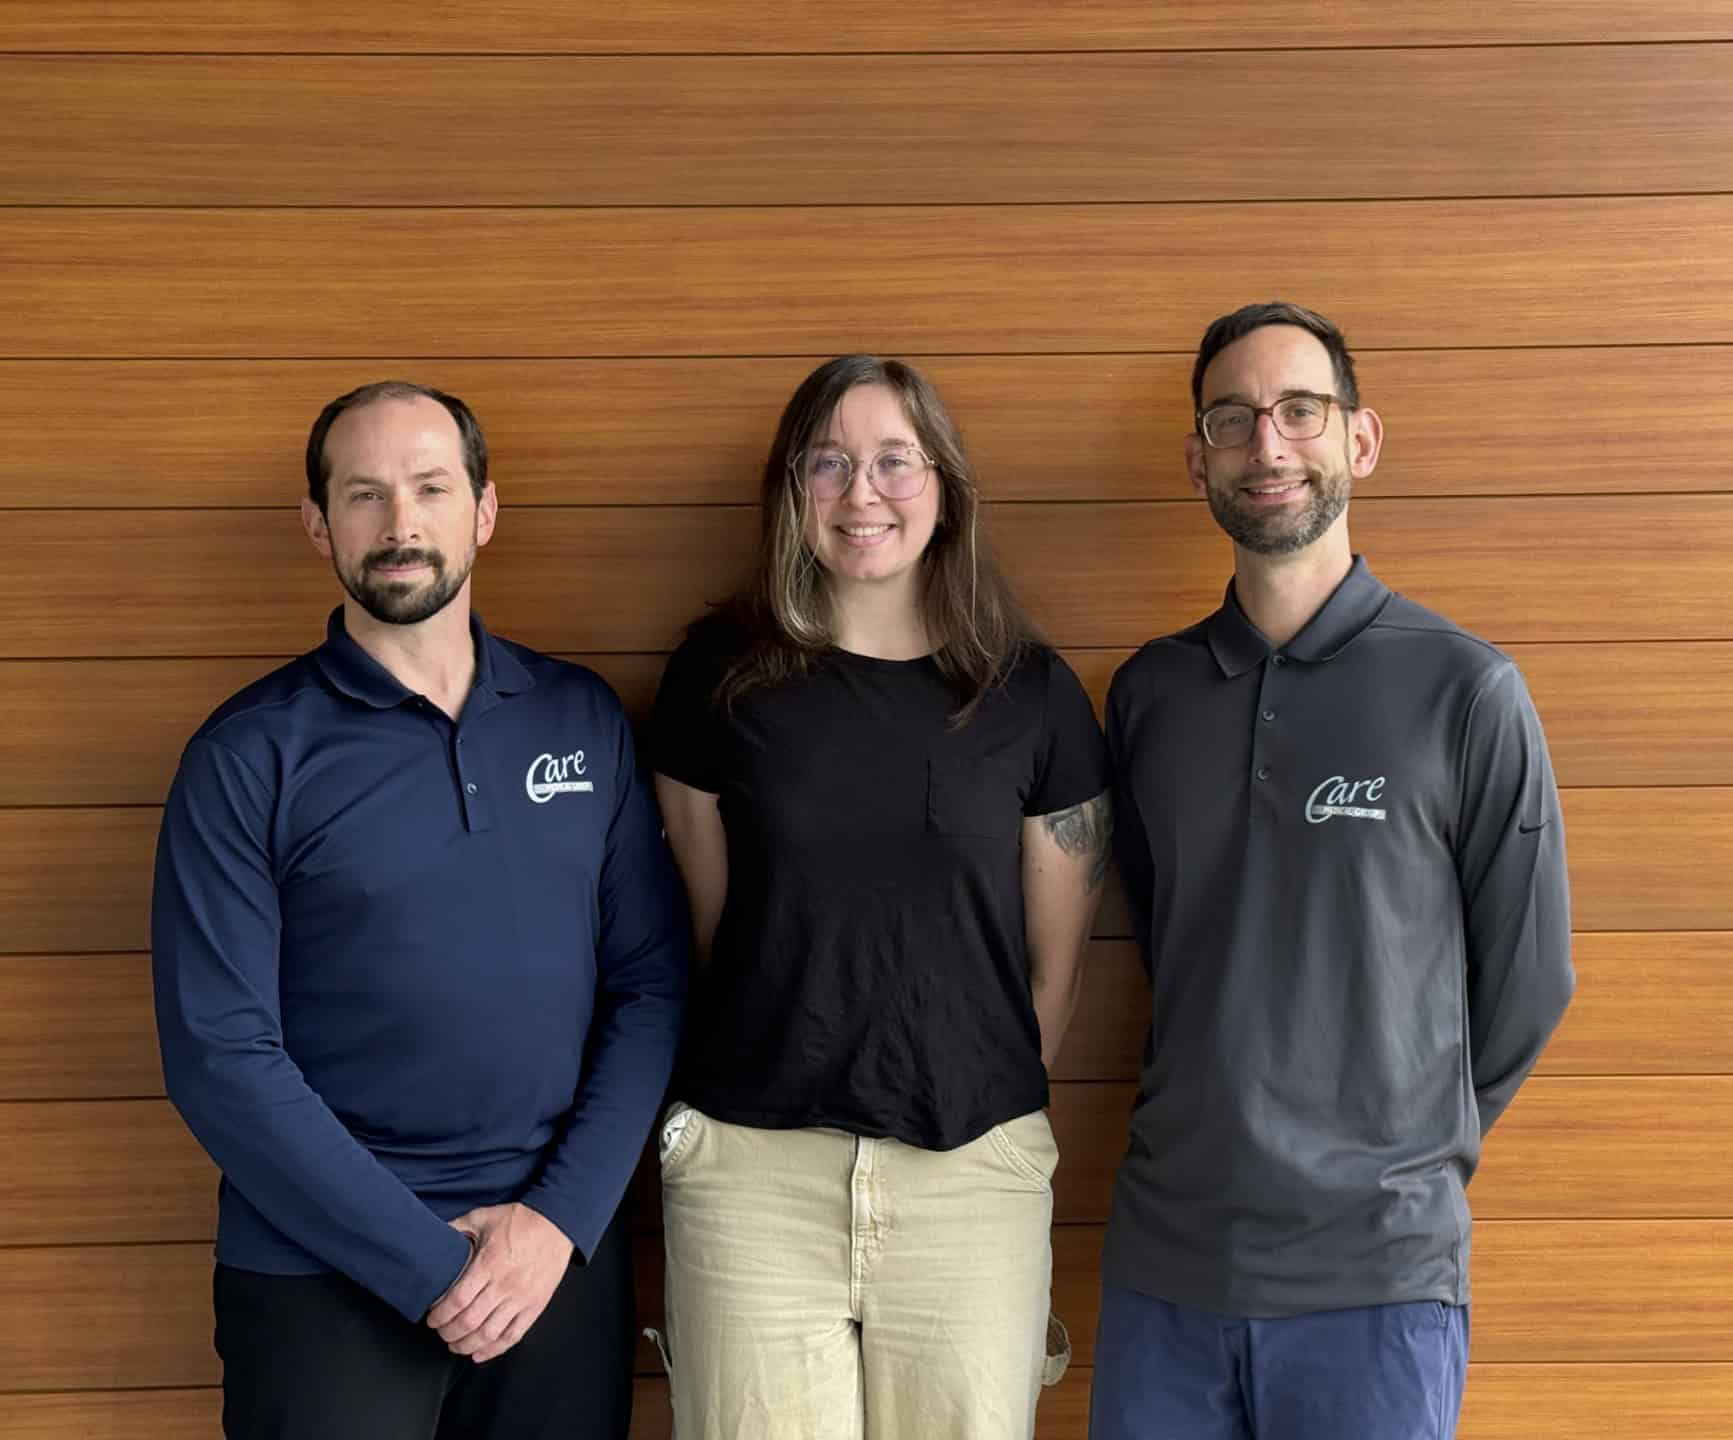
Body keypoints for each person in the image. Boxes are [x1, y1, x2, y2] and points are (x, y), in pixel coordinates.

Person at [151, 381, 687, 1440]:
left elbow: (650, 984)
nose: (400, 523)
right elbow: (220, 1056)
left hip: (549, 1264)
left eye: (431, 488)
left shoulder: (579, 718)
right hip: (318, 1272)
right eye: (364, 494)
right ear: (319, 525)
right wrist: (431, 1266)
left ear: (483, 511)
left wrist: (554, 1224)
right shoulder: (247, 755)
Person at [1091, 302, 1575, 1439]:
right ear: (1197, 459)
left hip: (1377, 1279)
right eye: (1232, 418)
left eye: (1299, 411)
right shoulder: (1149, 695)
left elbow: (1527, 982)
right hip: (1167, 1265)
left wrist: (1395, 1152)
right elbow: (1170, 934)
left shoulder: (1465, 689)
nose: (1266, 444)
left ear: (1358, 439)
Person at [649, 354, 1111, 1439]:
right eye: (828, 463)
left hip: (970, 1176)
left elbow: (1052, 967)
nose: (862, 493)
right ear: (791, 489)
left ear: (944, 484)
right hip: (752, 1174)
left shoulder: (1029, 692)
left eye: (895, 461)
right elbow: (716, 929)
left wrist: (965, 1087)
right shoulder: (716, 677)